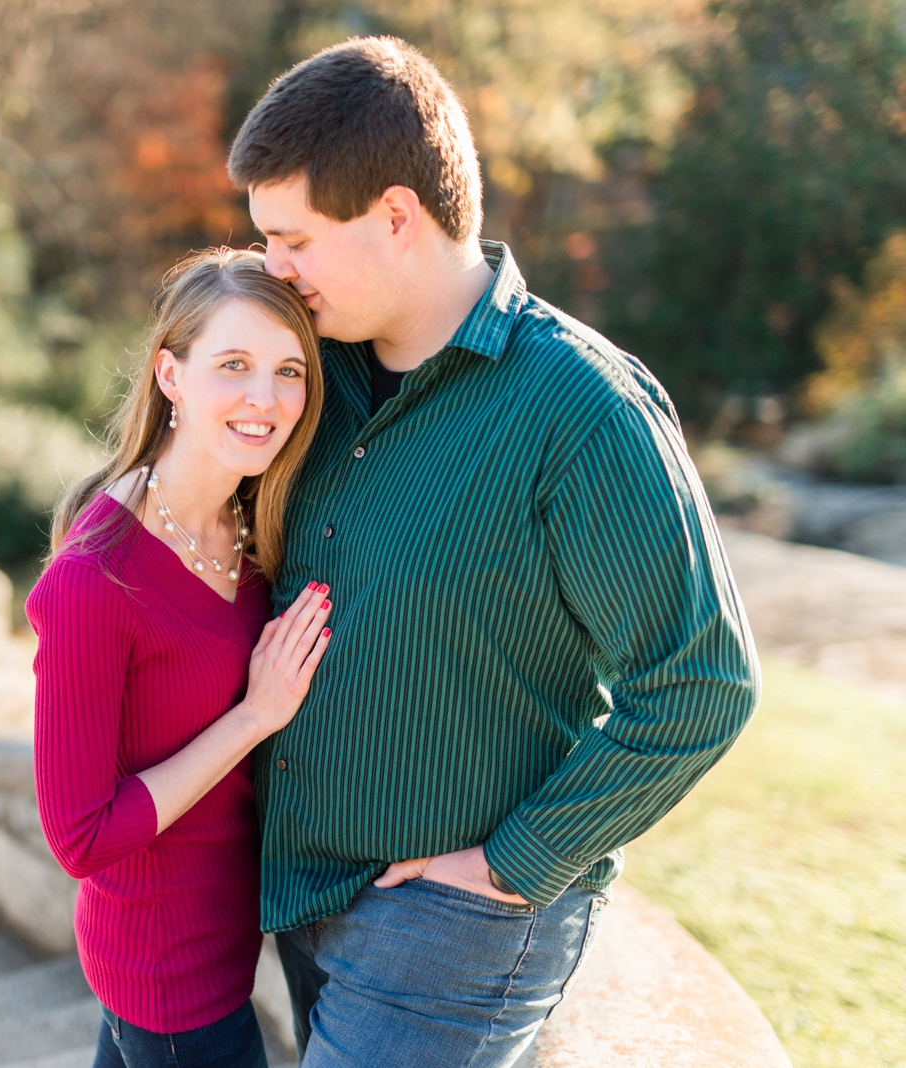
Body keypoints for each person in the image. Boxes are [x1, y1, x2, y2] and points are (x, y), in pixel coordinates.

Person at [225, 36, 761, 1067]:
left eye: (291, 238)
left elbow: (700, 681)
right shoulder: (306, 378)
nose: (269, 267)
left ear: (395, 216)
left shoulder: (584, 410)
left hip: (457, 922)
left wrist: (513, 864)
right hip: (299, 889)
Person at [26, 248, 332, 1068]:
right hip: (170, 983)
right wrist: (254, 719)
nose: (265, 400)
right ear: (171, 375)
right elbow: (79, 837)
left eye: (289, 370)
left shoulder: (251, 523)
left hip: (224, 951)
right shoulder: (94, 580)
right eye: (233, 365)